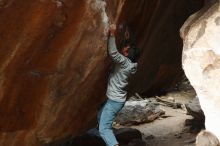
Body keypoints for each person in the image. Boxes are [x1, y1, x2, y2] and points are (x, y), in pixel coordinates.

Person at [97, 24, 140, 146]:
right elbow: (128, 49)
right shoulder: (132, 64)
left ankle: (113, 143)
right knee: (101, 116)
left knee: (104, 129)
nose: (124, 47)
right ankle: (105, 139)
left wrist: (112, 34)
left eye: (126, 48)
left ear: (126, 54)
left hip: (114, 101)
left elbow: (113, 53)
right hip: (116, 100)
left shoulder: (124, 63)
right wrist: (127, 37)